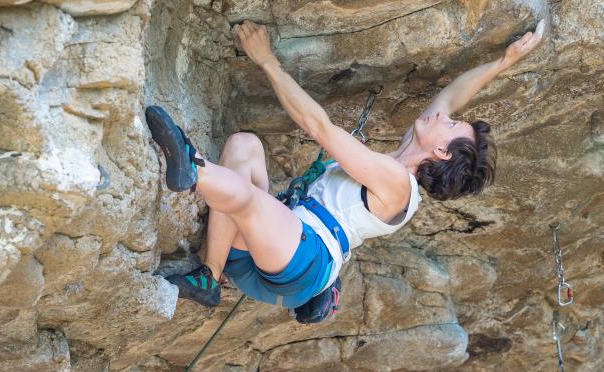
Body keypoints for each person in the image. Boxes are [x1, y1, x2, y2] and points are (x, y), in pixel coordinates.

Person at [149, 19, 546, 321]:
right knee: (244, 146)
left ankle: (191, 167)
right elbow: (452, 94)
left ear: (441, 150)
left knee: (249, 201)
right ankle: (209, 276)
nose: (444, 115)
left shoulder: (397, 186)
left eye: (452, 124)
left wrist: (267, 61)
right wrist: (504, 61)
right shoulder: (401, 159)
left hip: (305, 260)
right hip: (268, 247)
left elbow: (319, 127)